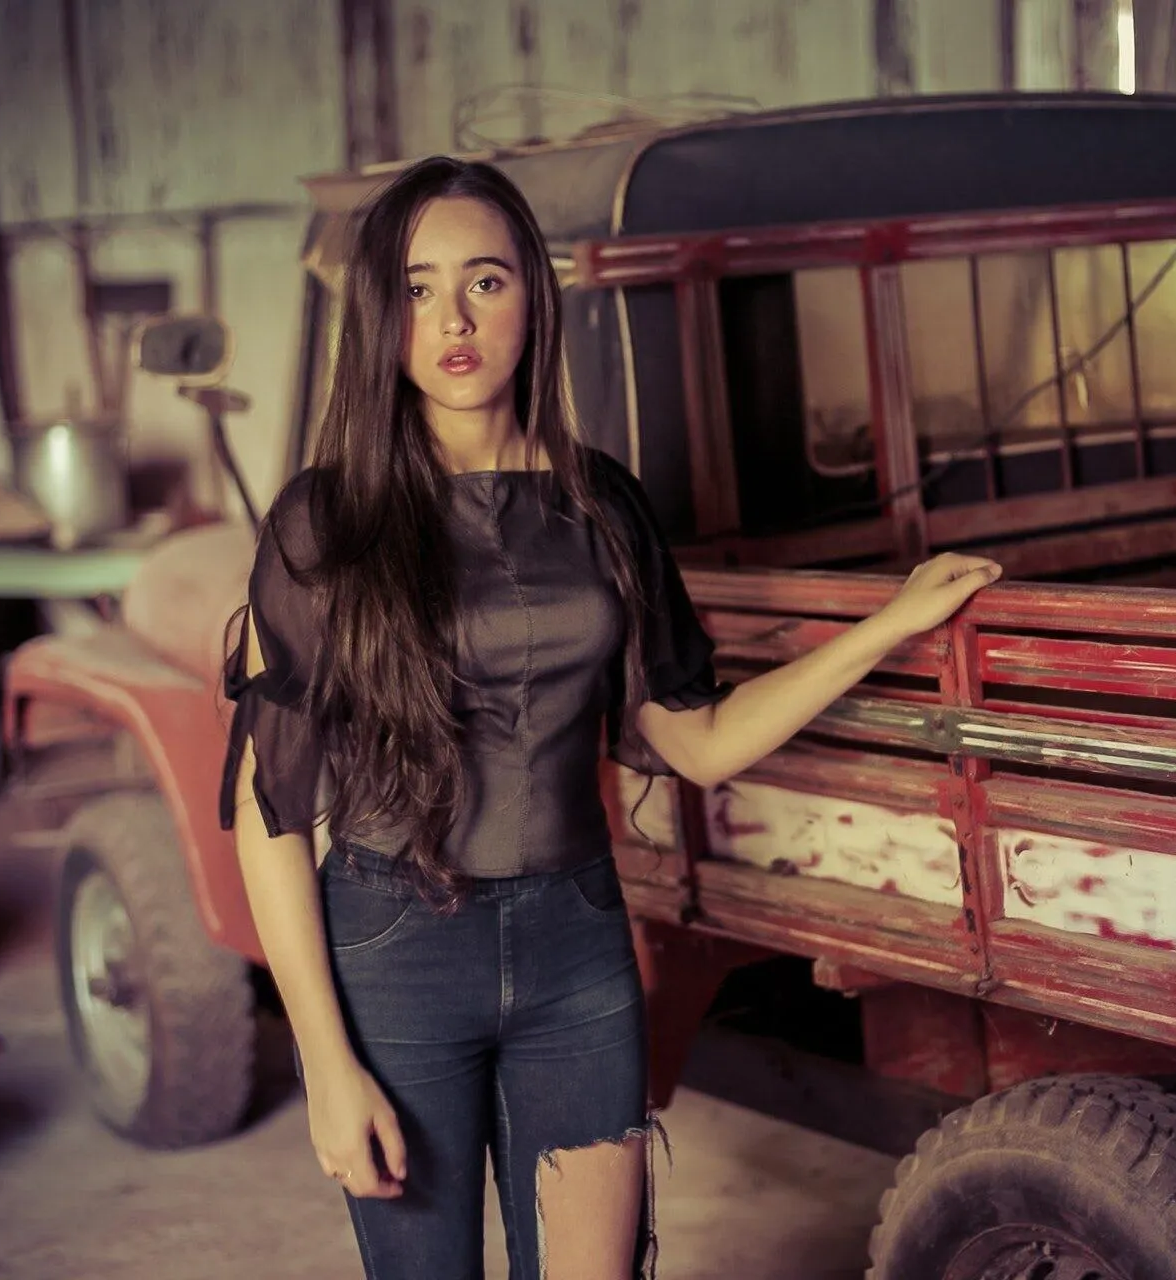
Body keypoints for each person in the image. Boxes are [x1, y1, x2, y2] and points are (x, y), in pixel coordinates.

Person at [220, 155, 1000, 1280]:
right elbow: (269, 808)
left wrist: (887, 625)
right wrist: (327, 1063)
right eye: (419, 285)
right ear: (382, 311)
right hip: (395, 955)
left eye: (485, 282)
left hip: (574, 950)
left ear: (533, 297)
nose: (453, 318)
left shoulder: (599, 500)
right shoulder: (324, 523)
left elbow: (696, 735)